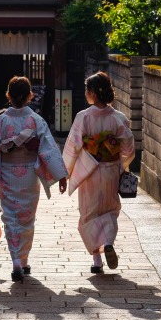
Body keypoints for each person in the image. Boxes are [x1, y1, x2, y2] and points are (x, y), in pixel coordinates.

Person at [0, 76, 68, 282]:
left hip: (7, 172)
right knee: (27, 218)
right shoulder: (36, 120)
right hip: (29, 174)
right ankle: (23, 261)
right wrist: (60, 175)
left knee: (10, 218)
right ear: (30, 96)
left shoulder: (1, 121)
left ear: (8, 95)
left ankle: (16, 260)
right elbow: (48, 149)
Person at [62, 71, 135, 274]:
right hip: (111, 170)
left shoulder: (83, 117)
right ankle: (108, 241)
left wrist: (64, 172)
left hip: (89, 173)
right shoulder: (118, 118)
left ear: (92, 92)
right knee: (110, 210)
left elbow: (73, 147)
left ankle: (97, 260)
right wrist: (122, 164)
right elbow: (128, 146)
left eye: (87, 90)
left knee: (89, 214)